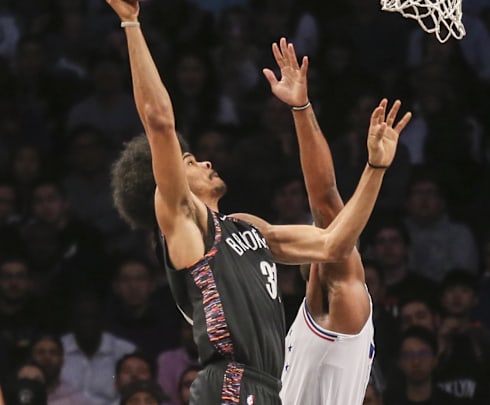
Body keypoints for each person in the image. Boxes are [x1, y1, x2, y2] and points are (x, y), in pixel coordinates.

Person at [106, 1, 405, 404]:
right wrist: (131, 22)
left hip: (265, 387)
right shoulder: (184, 224)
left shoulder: (247, 227)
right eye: (190, 161)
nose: (206, 161)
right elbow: (159, 120)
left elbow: (334, 242)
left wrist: (375, 168)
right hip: (230, 380)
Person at [262, 38, 411, 405]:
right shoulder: (314, 318)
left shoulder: (343, 303)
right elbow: (327, 209)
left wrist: (301, 109)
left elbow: (327, 204)